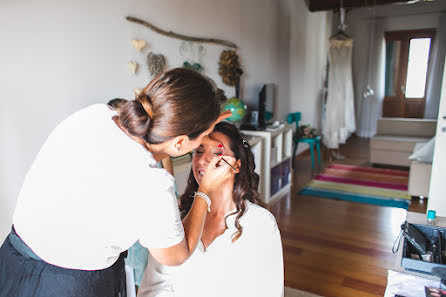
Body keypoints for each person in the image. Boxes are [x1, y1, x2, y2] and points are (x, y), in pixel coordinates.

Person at [0, 68, 234, 297]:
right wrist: (205, 190)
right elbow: (175, 256)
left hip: (10, 260)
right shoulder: (151, 184)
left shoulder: (94, 114)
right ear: (180, 143)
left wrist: (206, 122)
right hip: (67, 286)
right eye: (203, 137)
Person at [137, 122, 284, 297]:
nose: (204, 159)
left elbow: (268, 291)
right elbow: (153, 287)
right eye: (199, 151)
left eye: (217, 152)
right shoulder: (174, 217)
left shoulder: (260, 223)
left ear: (236, 165)